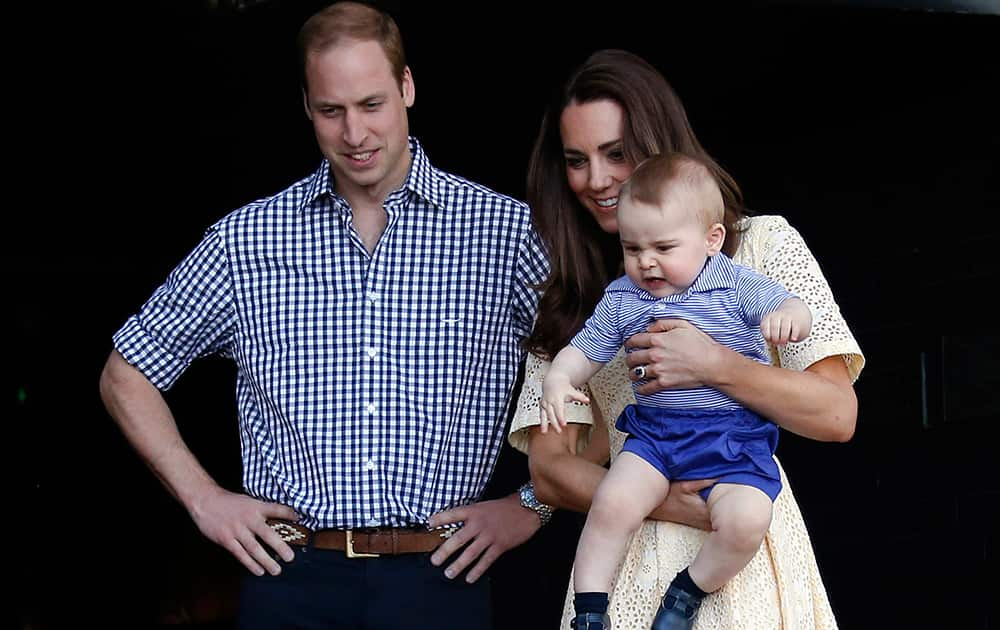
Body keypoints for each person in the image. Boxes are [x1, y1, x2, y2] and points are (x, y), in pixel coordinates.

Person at [98, 2, 551, 628]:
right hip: (290, 577)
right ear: (306, 106)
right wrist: (204, 501)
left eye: (371, 105)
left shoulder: (506, 235)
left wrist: (533, 503)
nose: (355, 134)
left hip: (442, 577)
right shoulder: (247, 240)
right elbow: (126, 374)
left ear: (407, 87)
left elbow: (602, 370)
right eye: (331, 111)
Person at [509, 49, 865, 629]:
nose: (596, 179)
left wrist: (717, 365)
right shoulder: (578, 290)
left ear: (658, 143)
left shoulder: (760, 247)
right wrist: (669, 501)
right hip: (629, 545)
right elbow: (551, 468)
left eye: (616, 153)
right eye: (576, 160)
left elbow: (837, 415)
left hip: (740, 552)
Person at [540, 152, 812, 630]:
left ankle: (689, 590)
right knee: (612, 502)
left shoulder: (732, 282)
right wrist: (560, 379)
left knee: (748, 519)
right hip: (657, 437)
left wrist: (790, 316)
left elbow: (792, 304)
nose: (646, 263)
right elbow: (584, 351)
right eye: (631, 248)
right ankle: (590, 608)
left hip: (732, 441)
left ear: (712, 240)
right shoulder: (625, 296)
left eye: (664, 247)